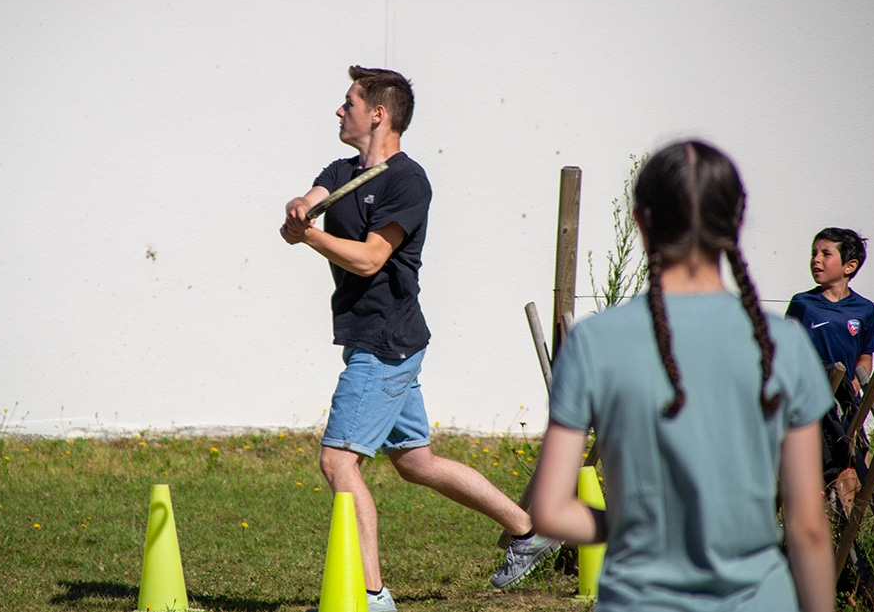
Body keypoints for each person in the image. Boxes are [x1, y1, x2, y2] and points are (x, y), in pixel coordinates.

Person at [279, 65, 559, 612]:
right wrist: (299, 210)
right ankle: (531, 531)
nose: (340, 111)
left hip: (386, 342)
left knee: (339, 461)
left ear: (378, 114)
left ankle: (370, 596)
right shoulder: (342, 169)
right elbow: (313, 195)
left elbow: (370, 259)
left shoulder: (407, 181)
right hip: (378, 337)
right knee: (416, 462)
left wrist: (309, 235)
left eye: (349, 102)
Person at [529, 140, 835, 611]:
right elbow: (808, 527)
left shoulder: (594, 342)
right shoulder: (785, 345)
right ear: (736, 224)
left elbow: (549, 511)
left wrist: (630, 528)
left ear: (639, 220)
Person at [785, 228, 874, 391]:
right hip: (808, 397)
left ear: (849, 266)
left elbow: (865, 356)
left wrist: (854, 387)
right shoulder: (802, 303)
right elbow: (785, 350)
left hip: (843, 403)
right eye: (814, 253)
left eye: (826, 254)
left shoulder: (865, 309)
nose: (816, 259)